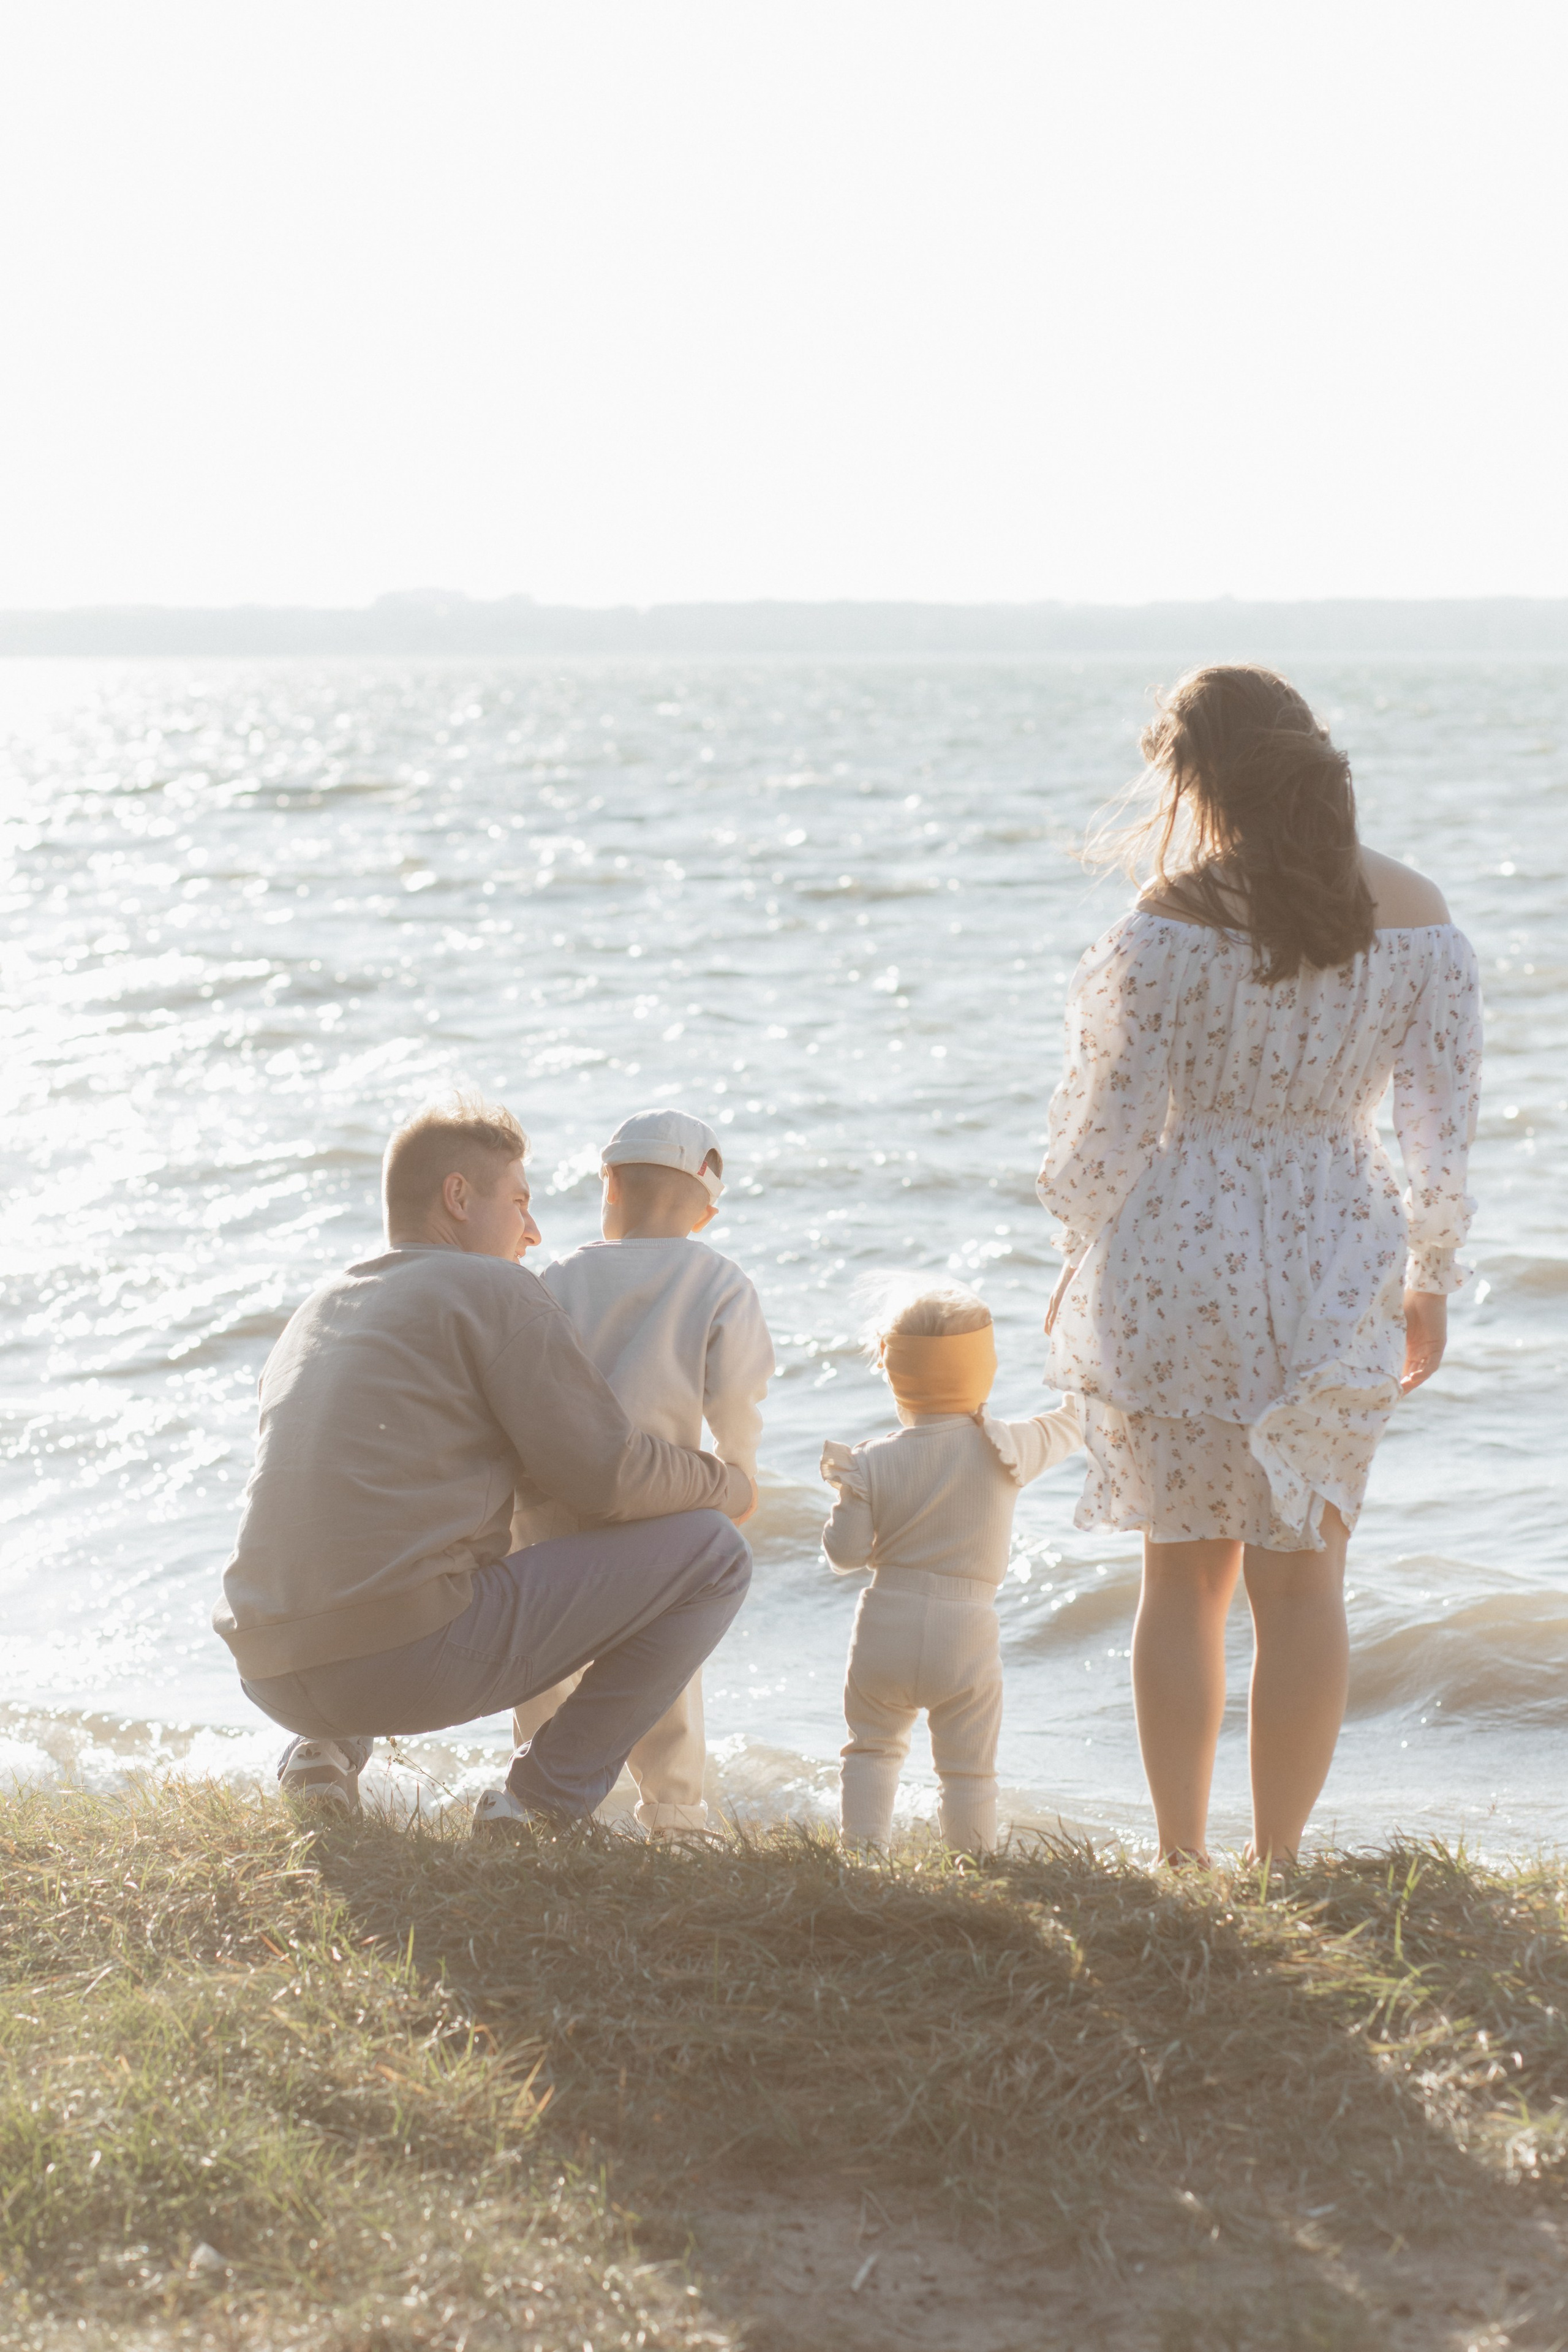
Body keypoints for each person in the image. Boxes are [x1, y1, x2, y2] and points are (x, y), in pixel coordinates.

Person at [1038, 665, 1482, 1866]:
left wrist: (1078, 1251)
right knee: (1303, 1586)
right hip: (1339, 1241)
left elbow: (1103, 1133)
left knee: (1179, 1578)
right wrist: (1425, 1279)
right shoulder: (1419, 913)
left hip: (1176, 1247)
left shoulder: (1165, 920)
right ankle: (1272, 1866)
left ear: (1195, 778)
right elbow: (1437, 1135)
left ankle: (1180, 1861)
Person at [216, 1096, 756, 1826]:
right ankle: (543, 1804)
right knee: (716, 1554)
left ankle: (322, 1750)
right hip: (397, 1662)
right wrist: (727, 1482)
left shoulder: (322, 1306)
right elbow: (605, 1478)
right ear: (458, 1196)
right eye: (519, 1203)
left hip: (268, 1667)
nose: (534, 1233)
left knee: (391, 1524)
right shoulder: (495, 1289)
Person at [508, 1107, 774, 1834]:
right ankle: (675, 1811)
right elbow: (738, 1389)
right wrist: (737, 1469)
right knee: (664, 1664)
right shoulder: (718, 1280)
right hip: (663, 1502)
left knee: (541, 1660)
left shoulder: (557, 1278)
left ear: (610, 1184)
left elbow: (526, 1382)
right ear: (707, 1212)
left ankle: (528, 1794)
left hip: (552, 1497)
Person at [819, 1282, 1083, 1853]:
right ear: (983, 1368)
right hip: (965, 1629)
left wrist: (846, 1495)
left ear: (894, 1374)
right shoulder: (1008, 1447)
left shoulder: (870, 1460)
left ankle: (861, 1860)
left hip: (885, 1620)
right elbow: (1075, 1419)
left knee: (871, 1749)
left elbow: (844, 1556)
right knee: (967, 1770)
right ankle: (975, 1865)